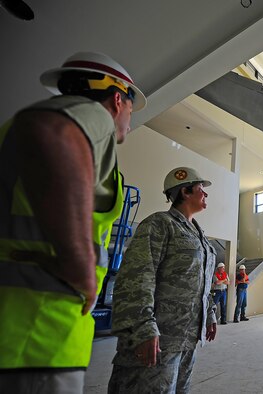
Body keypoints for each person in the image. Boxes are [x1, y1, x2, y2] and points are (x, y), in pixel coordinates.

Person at [0, 52, 146, 393]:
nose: (129, 118)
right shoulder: (91, 114)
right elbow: (53, 132)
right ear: (116, 99)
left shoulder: (14, 130)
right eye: (129, 107)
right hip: (37, 334)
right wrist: (78, 261)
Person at [108, 167, 217, 394]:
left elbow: (200, 283)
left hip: (186, 340)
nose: (205, 195)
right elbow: (137, 277)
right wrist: (143, 327)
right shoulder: (160, 224)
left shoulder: (199, 234)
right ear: (185, 192)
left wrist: (210, 313)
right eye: (201, 190)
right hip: (158, 339)